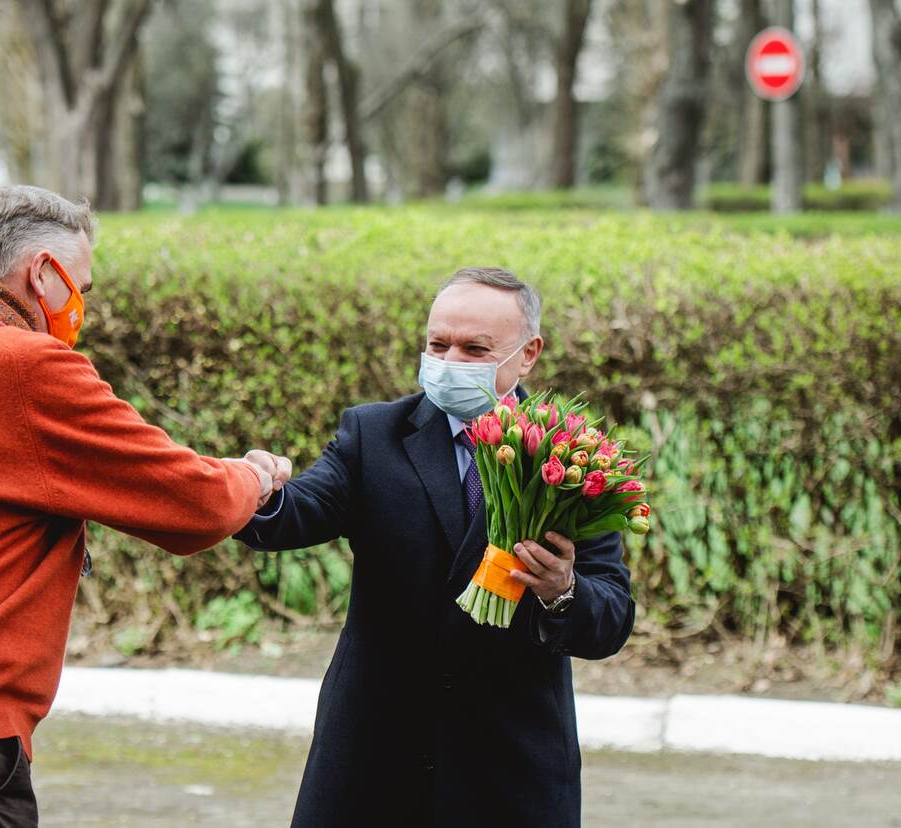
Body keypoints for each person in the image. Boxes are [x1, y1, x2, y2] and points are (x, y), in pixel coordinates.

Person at [0, 185, 279, 827]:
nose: (80, 307)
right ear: (42, 273)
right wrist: (254, 475)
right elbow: (192, 503)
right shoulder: (22, 364)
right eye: (79, 286)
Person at [237, 267, 635, 827]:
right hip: (375, 757)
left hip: (509, 764)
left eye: (475, 349)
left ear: (528, 354)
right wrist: (253, 489)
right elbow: (295, 513)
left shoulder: (571, 460)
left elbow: (611, 618)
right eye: (437, 344)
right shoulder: (372, 435)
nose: (449, 362)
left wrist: (562, 591)